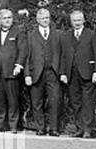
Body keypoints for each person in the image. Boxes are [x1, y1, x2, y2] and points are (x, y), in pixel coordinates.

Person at [21, 7, 69, 136]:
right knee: (37, 102)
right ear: (37, 20)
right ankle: (40, 128)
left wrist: (63, 72)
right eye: (42, 18)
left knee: (55, 101)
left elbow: (63, 55)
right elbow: (26, 56)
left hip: (53, 72)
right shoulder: (31, 35)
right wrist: (27, 75)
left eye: (47, 18)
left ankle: (54, 128)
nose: (45, 20)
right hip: (36, 73)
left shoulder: (58, 34)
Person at [66, 8, 96, 138]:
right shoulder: (67, 35)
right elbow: (64, 55)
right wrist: (64, 73)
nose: (77, 23)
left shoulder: (91, 35)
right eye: (75, 20)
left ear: (84, 21)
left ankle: (88, 129)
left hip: (88, 72)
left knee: (88, 102)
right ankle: (79, 128)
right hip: (72, 73)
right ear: (71, 22)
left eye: (79, 20)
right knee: (75, 102)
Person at [0, 8, 24, 132]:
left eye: (9, 18)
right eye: (5, 18)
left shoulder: (18, 32)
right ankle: (0, 124)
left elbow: (22, 51)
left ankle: (13, 125)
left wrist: (18, 66)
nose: (7, 20)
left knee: (13, 100)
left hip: (12, 71)